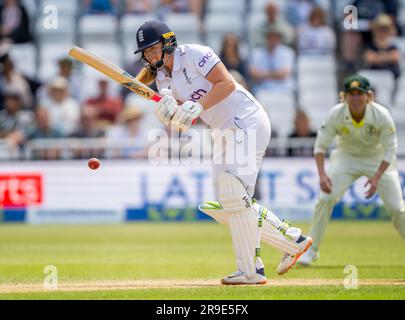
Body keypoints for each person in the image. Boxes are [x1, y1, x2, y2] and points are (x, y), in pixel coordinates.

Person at [133, 20, 313, 285]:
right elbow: (180, 116)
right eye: (145, 53)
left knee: (233, 193)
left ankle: (251, 271)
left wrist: (197, 106)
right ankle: (291, 241)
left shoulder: (195, 53)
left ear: (168, 42)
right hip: (223, 131)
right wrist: (169, 114)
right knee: (228, 203)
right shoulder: (162, 78)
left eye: (153, 49)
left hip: (246, 120)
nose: (149, 56)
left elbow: (226, 83)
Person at [298, 75, 405, 266]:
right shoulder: (336, 114)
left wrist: (377, 177)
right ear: (344, 96)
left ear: (368, 96)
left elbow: (390, 149)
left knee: (398, 207)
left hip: (377, 158)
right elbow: (320, 146)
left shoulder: (381, 115)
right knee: (325, 198)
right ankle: (310, 251)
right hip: (346, 158)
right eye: (351, 94)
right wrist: (322, 175)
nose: (356, 99)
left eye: (360, 94)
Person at [249, 25, 295, 94]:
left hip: (284, 89)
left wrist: (264, 75)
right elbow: (254, 73)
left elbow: (284, 73)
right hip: (262, 89)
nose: (273, 39)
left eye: (276, 37)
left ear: (280, 38)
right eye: (270, 37)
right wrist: (275, 75)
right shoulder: (256, 53)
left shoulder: (287, 52)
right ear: (266, 37)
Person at [364, 14, 401, 80]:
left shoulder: (393, 44)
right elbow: (369, 58)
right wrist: (388, 57)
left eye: (385, 29)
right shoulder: (371, 45)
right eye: (380, 29)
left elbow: (396, 57)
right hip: (375, 77)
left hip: (391, 78)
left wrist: (378, 57)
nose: (383, 32)